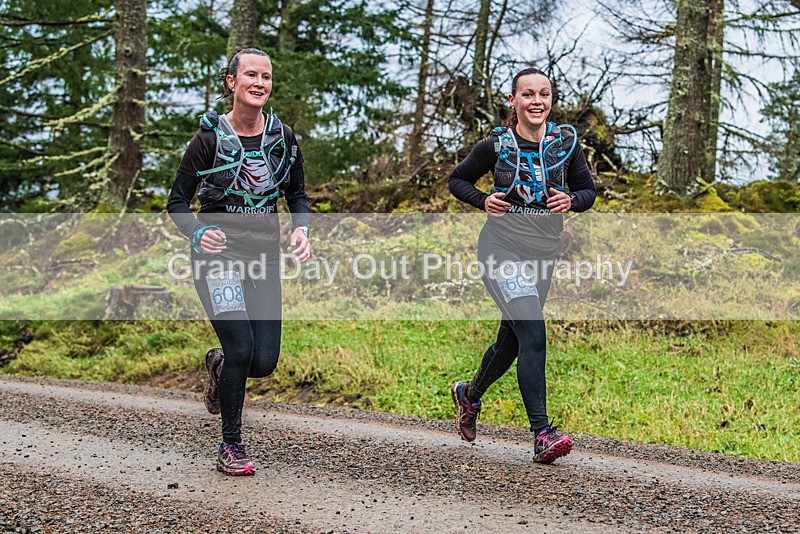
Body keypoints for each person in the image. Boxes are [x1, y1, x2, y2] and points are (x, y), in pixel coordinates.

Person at [168, 48, 311, 476]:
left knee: (264, 361)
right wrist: (197, 232)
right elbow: (176, 202)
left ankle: (218, 366)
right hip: (218, 259)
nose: (259, 83)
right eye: (251, 74)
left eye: (266, 77)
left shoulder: (283, 138)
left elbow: (297, 195)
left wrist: (300, 228)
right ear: (231, 82)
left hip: (262, 259)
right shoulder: (208, 139)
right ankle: (231, 443)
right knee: (242, 347)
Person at [448, 67, 596, 463]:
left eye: (544, 94)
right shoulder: (496, 145)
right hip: (501, 249)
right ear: (513, 101)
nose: (537, 101)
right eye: (527, 94)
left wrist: (572, 201)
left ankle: (468, 394)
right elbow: (457, 180)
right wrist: (483, 201)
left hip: (542, 255)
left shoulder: (565, 145)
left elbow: (588, 191)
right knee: (533, 332)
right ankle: (542, 434)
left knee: (512, 342)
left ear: (551, 100)